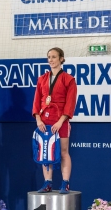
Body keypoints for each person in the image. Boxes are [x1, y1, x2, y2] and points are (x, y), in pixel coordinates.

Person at [32, 47, 77, 194]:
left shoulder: (69, 80)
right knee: (46, 152)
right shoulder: (42, 79)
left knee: (63, 152)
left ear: (61, 59)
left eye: (54, 57)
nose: (51, 60)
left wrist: (61, 122)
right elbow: (36, 101)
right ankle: (48, 182)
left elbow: (70, 103)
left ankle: (65, 183)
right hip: (44, 120)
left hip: (60, 120)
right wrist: (38, 119)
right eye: (49, 57)